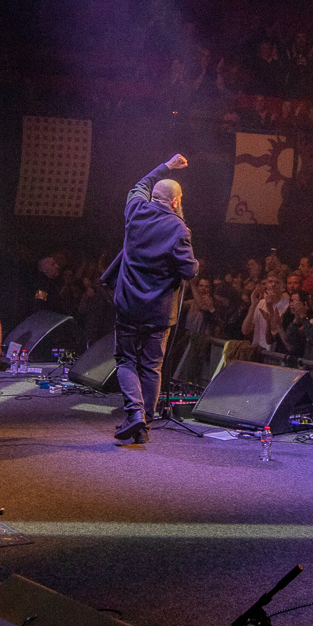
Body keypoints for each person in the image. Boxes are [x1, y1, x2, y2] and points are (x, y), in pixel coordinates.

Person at [101, 154, 198, 444]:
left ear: (153, 196)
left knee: (126, 360)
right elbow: (189, 270)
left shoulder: (135, 211)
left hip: (129, 304)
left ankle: (135, 415)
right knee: (151, 365)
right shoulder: (179, 229)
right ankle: (146, 423)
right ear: (176, 202)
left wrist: (166, 167)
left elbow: (140, 184)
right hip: (159, 311)